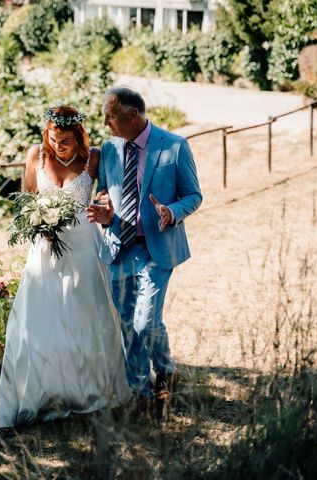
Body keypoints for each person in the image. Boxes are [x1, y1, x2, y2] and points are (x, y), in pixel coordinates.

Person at [0, 106, 131, 428]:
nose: (59, 146)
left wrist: (105, 210)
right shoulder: (35, 156)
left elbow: (109, 198)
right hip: (44, 251)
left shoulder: (95, 158)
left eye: (66, 140)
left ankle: (89, 392)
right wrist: (34, 223)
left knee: (86, 318)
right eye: (54, 139)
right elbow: (26, 200)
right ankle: (45, 393)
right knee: (41, 321)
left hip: (83, 248)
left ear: (79, 135)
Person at [86, 87, 203, 417]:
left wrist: (171, 211)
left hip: (158, 248)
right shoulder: (109, 149)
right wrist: (104, 210)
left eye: (111, 115)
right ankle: (140, 393)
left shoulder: (175, 146)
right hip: (118, 247)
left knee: (145, 321)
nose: (106, 122)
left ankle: (165, 371)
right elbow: (105, 193)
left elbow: (193, 195)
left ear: (132, 115)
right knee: (126, 323)